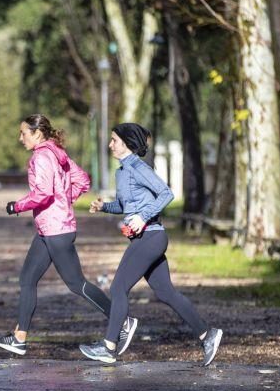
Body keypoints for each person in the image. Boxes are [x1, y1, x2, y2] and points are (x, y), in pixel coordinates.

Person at [80, 123, 222, 366]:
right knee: (166, 292)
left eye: (114, 140)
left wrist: (143, 216)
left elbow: (166, 193)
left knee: (117, 289)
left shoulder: (138, 167)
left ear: (126, 142)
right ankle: (207, 335)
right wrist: (104, 206)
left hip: (151, 238)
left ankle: (109, 346)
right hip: (145, 239)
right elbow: (126, 207)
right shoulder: (122, 172)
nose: (110, 144)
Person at [0, 114, 118, 356]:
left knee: (77, 284)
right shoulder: (58, 153)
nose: (20, 138)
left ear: (37, 133)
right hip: (48, 230)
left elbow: (43, 193)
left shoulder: (42, 156)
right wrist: (64, 201)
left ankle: (121, 320)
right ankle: (19, 338)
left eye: (23, 133)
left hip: (56, 231)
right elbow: (83, 180)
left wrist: (16, 206)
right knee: (27, 279)